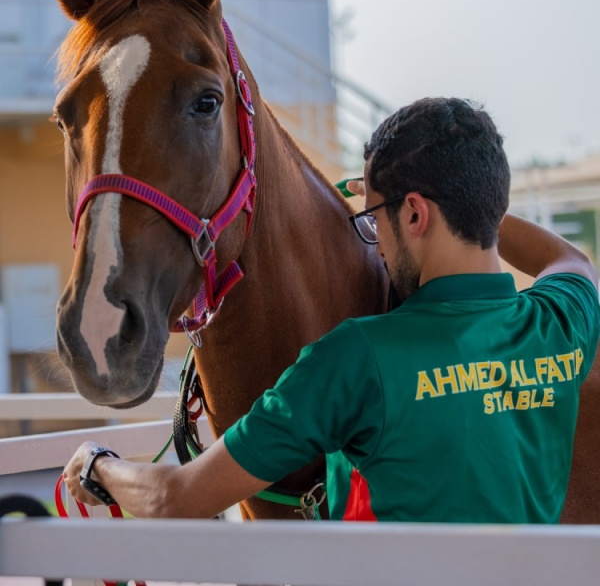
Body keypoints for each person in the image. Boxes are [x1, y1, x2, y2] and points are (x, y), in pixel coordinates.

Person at [63, 97, 600, 523]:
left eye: (374, 220)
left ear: (414, 214)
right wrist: (468, 202)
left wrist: (99, 467)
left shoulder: (355, 359)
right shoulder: (560, 322)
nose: (377, 243)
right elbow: (570, 259)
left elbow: (177, 497)